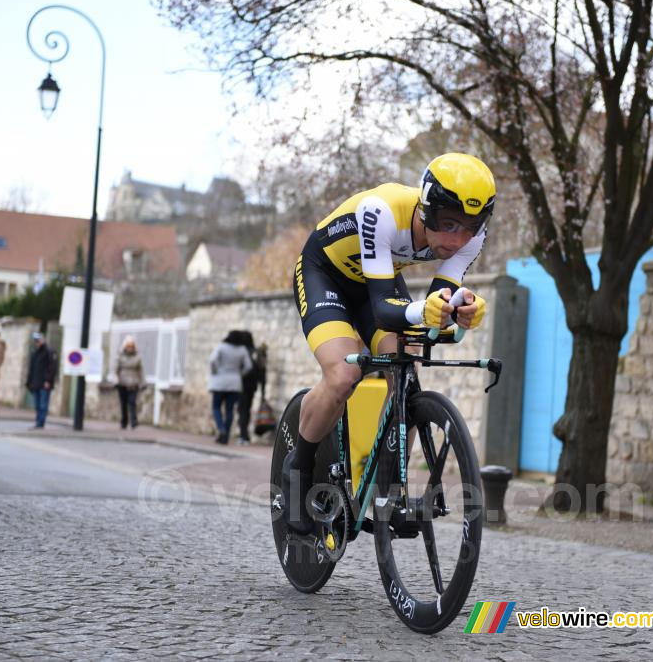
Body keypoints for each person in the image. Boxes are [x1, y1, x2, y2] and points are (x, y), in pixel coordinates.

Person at [281, 152, 493, 534]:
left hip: (374, 281)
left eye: (470, 227)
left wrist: (461, 312)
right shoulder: (382, 212)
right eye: (448, 224)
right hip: (326, 275)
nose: (457, 239)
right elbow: (384, 309)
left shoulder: (472, 238)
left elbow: (438, 303)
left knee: (405, 372)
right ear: (426, 210)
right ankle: (298, 469)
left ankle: (386, 495)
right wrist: (426, 312)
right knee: (345, 373)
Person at [208, 330, 252, 444]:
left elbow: (212, 360)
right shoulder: (242, 350)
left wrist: (215, 371)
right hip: (234, 383)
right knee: (229, 410)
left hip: (219, 382)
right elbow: (248, 366)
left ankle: (221, 429)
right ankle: (225, 435)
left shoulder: (221, 347)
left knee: (216, 407)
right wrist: (239, 374)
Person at [236, 331, 266, 445]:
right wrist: (263, 391)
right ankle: (245, 435)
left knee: (241, 410)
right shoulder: (257, 352)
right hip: (253, 386)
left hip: (241, 385)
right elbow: (263, 372)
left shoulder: (242, 353)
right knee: (247, 409)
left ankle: (243, 435)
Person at [25, 331, 57, 430]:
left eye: (38, 340)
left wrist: (48, 380)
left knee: (43, 404)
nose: (37, 343)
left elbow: (52, 368)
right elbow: (32, 368)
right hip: (35, 383)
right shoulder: (34, 353)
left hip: (44, 383)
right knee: (37, 405)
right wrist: (29, 382)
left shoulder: (49, 351)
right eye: (36, 341)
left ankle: (40, 423)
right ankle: (38, 421)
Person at [114, 335, 145, 429]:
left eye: (132, 346)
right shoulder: (120, 356)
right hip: (122, 383)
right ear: (125, 346)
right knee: (123, 403)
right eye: (128, 346)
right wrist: (116, 379)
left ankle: (134, 421)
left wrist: (143, 382)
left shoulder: (138, 357)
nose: (130, 348)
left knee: (132, 402)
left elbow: (141, 370)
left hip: (133, 383)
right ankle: (124, 422)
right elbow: (116, 369)